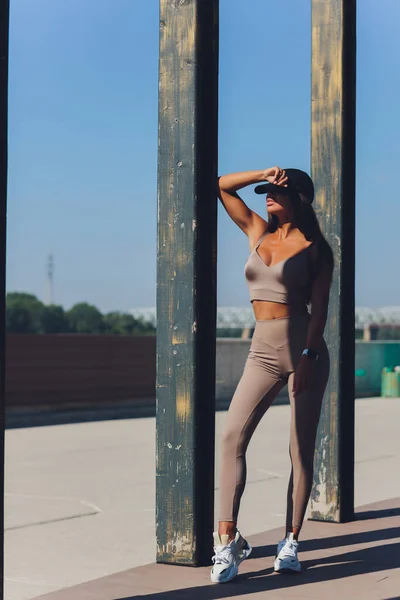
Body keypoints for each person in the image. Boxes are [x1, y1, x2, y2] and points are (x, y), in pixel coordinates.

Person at [211, 166, 333, 583]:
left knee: (299, 448)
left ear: (299, 198)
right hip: (260, 349)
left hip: (303, 349)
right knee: (231, 437)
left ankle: (291, 540)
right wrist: (262, 173)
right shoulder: (258, 232)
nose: (267, 197)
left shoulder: (317, 249)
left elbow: (320, 311)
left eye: (275, 192)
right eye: (265, 192)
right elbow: (221, 186)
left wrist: (308, 357)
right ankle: (227, 541)